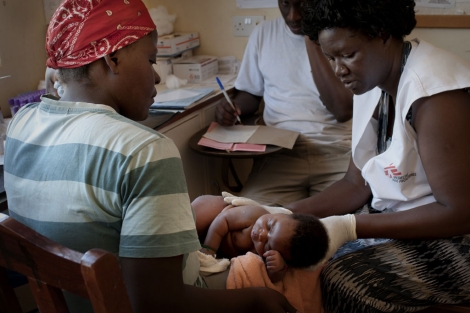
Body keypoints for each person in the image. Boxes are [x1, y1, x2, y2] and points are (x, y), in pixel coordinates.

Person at [3, 1, 297, 313]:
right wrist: (255, 299)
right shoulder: (144, 150)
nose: (156, 78)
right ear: (113, 58)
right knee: (290, 274)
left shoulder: (22, 123)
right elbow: (157, 303)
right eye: (151, 60)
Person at [275, 0, 469, 311]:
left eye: (348, 55)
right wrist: (283, 213)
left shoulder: (433, 92)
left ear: (382, 34)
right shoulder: (372, 83)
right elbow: (356, 183)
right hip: (405, 227)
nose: (339, 70)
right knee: (300, 260)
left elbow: (459, 212)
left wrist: (350, 227)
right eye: (331, 58)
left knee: (347, 279)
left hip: (457, 238)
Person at [215, 0, 353, 207]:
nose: (293, 16)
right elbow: (250, 95)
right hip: (280, 155)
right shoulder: (263, 34)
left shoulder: (341, 35)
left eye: (302, 4)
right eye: (286, 4)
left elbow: (342, 110)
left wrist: (312, 38)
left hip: (337, 152)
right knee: (242, 220)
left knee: (345, 229)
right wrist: (234, 108)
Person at [192, 195, 329, 283]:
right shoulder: (254, 215)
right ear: (281, 214)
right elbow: (222, 221)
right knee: (193, 223)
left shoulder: (270, 255)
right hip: (215, 213)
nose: (261, 234)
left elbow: (272, 280)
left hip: (215, 241)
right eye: (270, 226)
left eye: (268, 245)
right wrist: (209, 249)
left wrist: (278, 269)